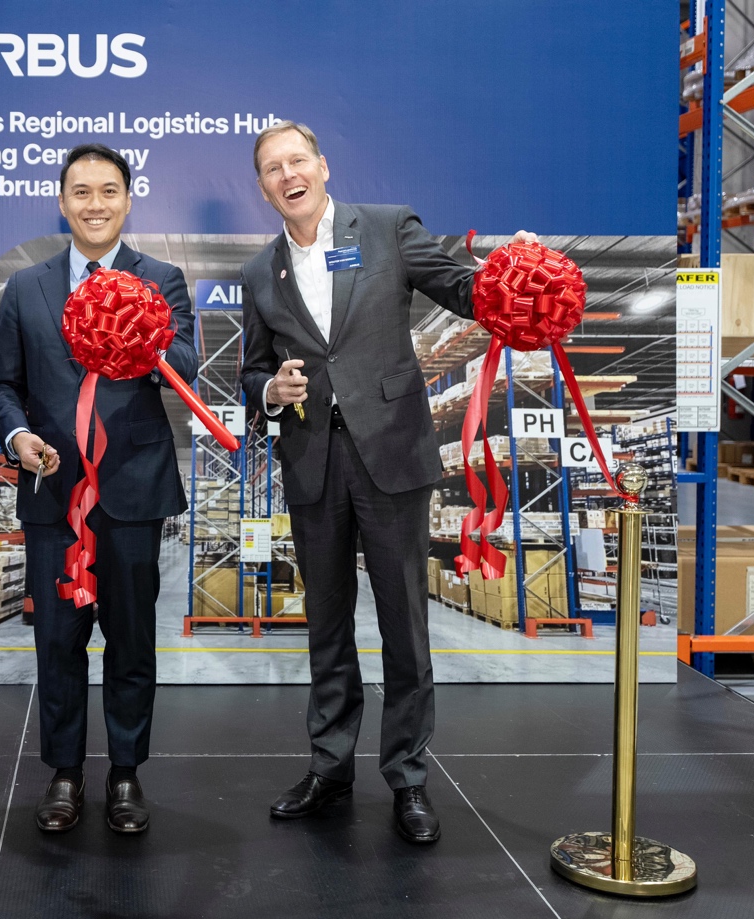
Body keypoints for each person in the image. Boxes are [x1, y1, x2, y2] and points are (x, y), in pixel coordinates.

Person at [238, 120, 536, 844]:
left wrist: (515, 270)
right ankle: (329, 768)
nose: (288, 174)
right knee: (326, 625)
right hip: (312, 459)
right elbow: (252, 370)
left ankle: (407, 777)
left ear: (323, 166)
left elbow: (461, 288)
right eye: (273, 168)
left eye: (297, 160)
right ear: (264, 187)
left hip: (392, 454)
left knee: (404, 623)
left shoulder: (386, 228)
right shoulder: (260, 272)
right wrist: (271, 390)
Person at [0, 144, 197, 835]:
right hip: (53, 490)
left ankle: (126, 772)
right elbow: (3, 385)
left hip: (132, 491)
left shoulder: (160, 279)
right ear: (62, 201)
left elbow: (186, 366)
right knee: (57, 641)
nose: (95, 204)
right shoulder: (27, 286)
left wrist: (138, 330)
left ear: (128, 200)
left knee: (132, 641)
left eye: (109, 190)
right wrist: (19, 437)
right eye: (81, 191)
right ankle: (65, 772)